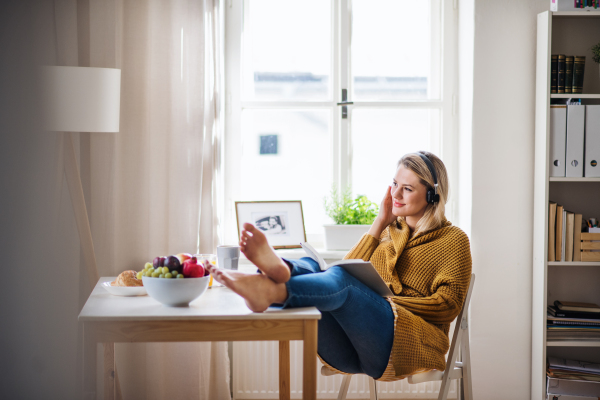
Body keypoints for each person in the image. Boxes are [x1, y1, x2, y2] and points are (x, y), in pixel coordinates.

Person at [205, 151, 472, 380]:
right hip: (350, 349)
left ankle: (274, 289)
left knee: (341, 283)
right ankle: (282, 273)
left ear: (433, 196)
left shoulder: (453, 240)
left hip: (408, 345)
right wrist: (378, 223)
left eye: (408, 188)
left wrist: (386, 303)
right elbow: (346, 269)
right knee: (315, 266)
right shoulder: (390, 230)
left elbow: (447, 307)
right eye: (394, 184)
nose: (395, 194)